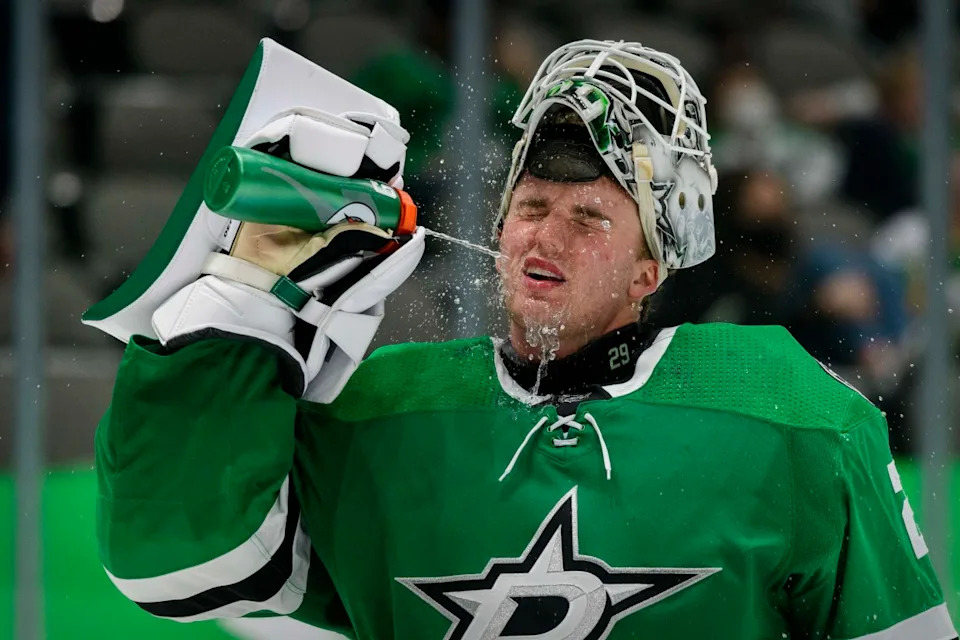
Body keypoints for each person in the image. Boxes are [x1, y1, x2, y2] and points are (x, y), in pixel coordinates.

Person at [94, 40, 956, 639]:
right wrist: (244, 298)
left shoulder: (793, 413)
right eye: (532, 210)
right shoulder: (377, 413)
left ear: (649, 272)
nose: (545, 237)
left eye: (588, 219)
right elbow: (177, 566)